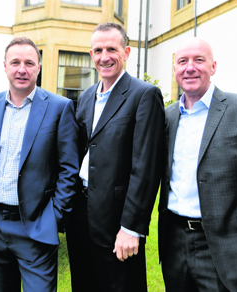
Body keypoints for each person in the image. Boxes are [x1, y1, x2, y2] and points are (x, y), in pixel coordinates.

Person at [159, 37, 237, 292]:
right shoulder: (167, 117)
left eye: (199, 60)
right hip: (175, 244)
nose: (190, 67)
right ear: (174, 70)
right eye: (182, 61)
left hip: (228, 246)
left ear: (213, 66)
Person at [0, 37, 79, 292]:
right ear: (4, 65)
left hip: (35, 226)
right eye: (15, 62)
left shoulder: (60, 108)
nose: (22, 69)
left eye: (29, 63)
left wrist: (54, 218)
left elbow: (69, 170)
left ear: (39, 67)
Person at [65, 22, 165, 292]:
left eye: (112, 48)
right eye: (98, 50)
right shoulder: (85, 98)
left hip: (117, 222)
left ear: (127, 52)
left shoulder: (144, 95)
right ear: (91, 54)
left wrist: (132, 227)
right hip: (80, 216)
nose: (104, 56)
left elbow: (146, 167)